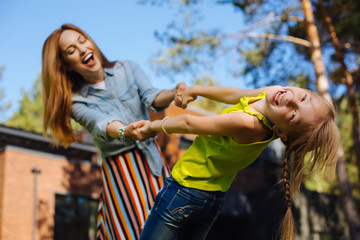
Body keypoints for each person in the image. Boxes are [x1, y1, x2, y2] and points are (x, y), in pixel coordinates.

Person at [127, 85, 341, 240]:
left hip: (184, 190)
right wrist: (197, 90)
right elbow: (234, 94)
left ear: (280, 132)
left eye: (293, 114)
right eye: (303, 97)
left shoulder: (248, 124)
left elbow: (189, 123)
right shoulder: (272, 95)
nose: (290, 99)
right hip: (214, 199)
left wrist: (151, 127)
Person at [41, 23, 186, 240]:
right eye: (71, 51)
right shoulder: (75, 101)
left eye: (82, 40)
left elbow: (152, 96)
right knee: (134, 233)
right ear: (66, 65)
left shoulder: (127, 68)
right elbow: (101, 123)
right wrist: (125, 132)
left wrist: (175, 93)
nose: (82, 49)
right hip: (122, 173)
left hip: (154, 163)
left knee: (171, 230)